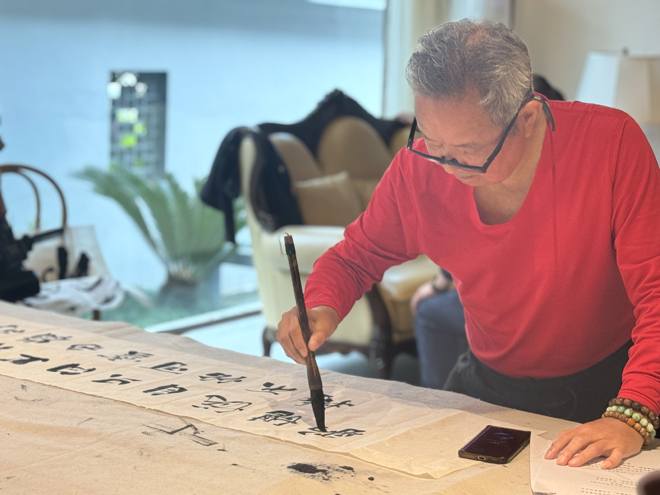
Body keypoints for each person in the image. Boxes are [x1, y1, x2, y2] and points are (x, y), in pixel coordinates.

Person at [277, 19, 660, 469]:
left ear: (527, 119)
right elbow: (355, 257)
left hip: (611, 384)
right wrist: (320, 305)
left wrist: (632, 413)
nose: (445, 166)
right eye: (430, 140)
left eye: (466, 149)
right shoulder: (419, 167)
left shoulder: (610, 144)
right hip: (487, 382)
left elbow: (656, 293)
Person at [410, 75, 565, 392]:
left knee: (429, 311)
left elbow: (473, 245)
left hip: (529, 315)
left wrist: (438, 286)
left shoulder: (497, 172)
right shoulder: (568, 163)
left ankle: (439, 406)